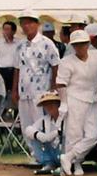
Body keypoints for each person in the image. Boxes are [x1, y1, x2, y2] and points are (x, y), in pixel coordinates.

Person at [55, 25, 97, 176]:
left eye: (83, 43)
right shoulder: (66, 62)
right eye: (77, 44)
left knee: (94, 135)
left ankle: (70, 157)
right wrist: (64, 103)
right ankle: (75, 164)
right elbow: (61, 83)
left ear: (88, 43)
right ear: (73, 46)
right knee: (74, 134)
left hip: (92, 100)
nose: (80, 47)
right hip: (74, 99)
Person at [10, 14, 60, 165]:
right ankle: (36, 156)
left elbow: (55, 65)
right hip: (24, 91)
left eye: (29, 23)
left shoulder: (47, 44)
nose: (26, 26)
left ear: (37, 24)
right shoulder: (20, 46)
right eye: (23, 23)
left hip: (41, 92)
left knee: (42, 124)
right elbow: (17, 69)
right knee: (27, 125)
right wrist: (14, 90)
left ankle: (49, 157)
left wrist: (53, 88)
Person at [25, 91, 63, 174]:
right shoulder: (45, 120)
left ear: (58, 104)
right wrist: (41, 136)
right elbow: (28, 130)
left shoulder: (65, 119)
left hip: (64, 152)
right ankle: (48, 163)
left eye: (52, 103)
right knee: (34, 137)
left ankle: (65, 165)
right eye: (46, 104)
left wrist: (55, 133)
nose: (49, 106)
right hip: (51, 152)